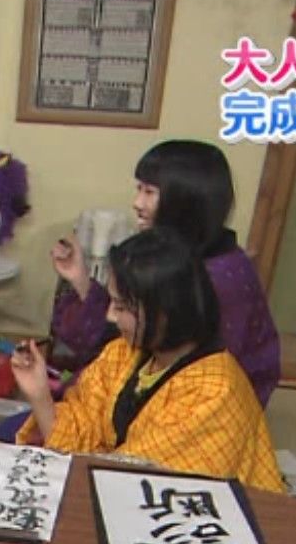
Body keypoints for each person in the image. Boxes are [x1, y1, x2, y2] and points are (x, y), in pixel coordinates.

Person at [11, 228, 282, 492]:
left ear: (164, 313)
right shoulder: (123, 352)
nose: (110, 316)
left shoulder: (216, 392)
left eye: (121, 307)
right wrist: (39, 394)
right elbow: (82, 434)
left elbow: (138, 483)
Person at [48, 140, 280, 407]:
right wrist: (79, 277)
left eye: (149, 192)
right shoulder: (174, 253)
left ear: (186, 200)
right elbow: (122, 332)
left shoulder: (220, 279)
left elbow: (188, 377)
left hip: (190, 407)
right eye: (138, 189)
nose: (137, 203)